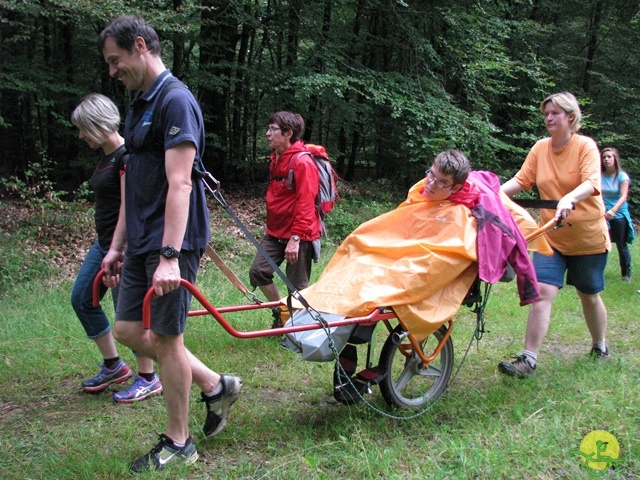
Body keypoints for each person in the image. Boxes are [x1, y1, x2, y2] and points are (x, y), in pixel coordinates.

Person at [98, 16, 241, 472]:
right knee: (125, 330)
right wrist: (118, 244)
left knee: (165, 337)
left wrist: (169, 257)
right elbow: (134, 181)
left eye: (116, 60)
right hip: (139, 240)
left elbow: (180, 184)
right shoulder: (141, 102)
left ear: (140, 46)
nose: (112, 71)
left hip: (170, 244)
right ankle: (216, 384)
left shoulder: (175, 101)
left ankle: (180, 442)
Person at [498, 91, 612, 379]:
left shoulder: (586, 146)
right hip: (551, 237)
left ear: (570, 117)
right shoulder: (540, 148)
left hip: (587, 238)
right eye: (546, 113)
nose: (549, 118)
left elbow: (590, 182)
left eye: (555, 113)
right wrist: (491, 194)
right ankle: (529, 359)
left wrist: (568, 198)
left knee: (589, 295)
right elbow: (522, 181)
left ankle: (600, 347)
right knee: (542, 294)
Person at [70, 93, 162, 403]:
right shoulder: (106, 156)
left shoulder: (126, 156)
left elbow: (128, 205)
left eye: (83, 129)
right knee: (83, 299)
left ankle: (148, 377)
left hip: (124, 247)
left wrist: (119, 248)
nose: (81, 136)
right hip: (103, 244)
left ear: (97, 125)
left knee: (131, 315)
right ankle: (113, 366)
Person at [248, 111, 322, 327]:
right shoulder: (276, 157)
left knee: (297, 286)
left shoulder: (303, 163)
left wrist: (296, 238)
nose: (267, 133)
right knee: (259, 271)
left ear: (288, 133)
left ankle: (297, 329)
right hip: (275, 232)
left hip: (300, 235)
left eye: (273, 129)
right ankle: (282, 314)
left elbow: (306, 202)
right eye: (269, 128)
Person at [601, 147, 635, 282]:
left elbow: (623, 196)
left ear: (615, 159)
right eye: (604, 157)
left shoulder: (622, 176)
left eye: (609, 157)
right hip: (602, 214)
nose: (606, 159)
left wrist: (613, 211)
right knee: (601, 244)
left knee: (621, 245)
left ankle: (626, 273)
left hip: (618, 214)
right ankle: (597, 273)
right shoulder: (599, 176)